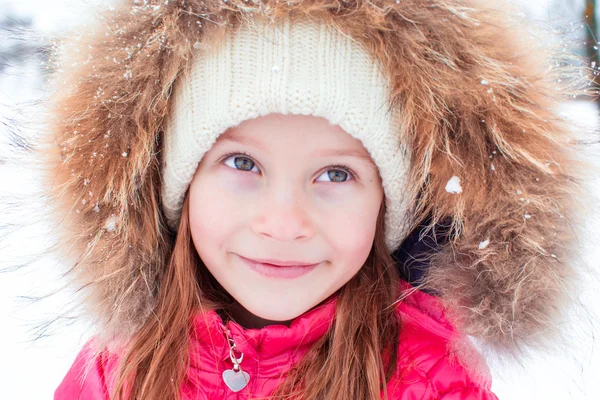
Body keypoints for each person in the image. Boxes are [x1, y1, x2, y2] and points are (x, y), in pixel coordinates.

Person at [44, 0, 585, 399]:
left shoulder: (432, 380)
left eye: (334, 173)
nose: (284, 223)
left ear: (387, 206)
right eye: (242, 163)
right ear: (179, 189)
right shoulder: (115, 374)